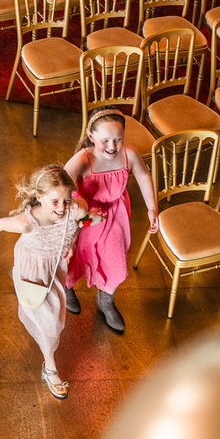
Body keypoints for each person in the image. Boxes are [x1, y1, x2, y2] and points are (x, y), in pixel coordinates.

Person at [0, 165, 99, 399]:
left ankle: (19, 279)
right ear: (39, 198)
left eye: (65, 200)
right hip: (33, 264)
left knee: (53, 309)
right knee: (52, 323)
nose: (61, 208)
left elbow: (80, 222)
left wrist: (70, 244)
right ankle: (50, 369)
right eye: (54, 202)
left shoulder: (76, 209)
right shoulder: (26, 222)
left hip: (56, 265)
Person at [63, 108, 158, 333]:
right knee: (73, 255)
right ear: (91, 135)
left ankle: (106, 299)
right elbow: (61, 187)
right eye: (105, 140)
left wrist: (152, 208)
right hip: (84, 216)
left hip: (114, 215)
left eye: (118, 139)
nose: (112, 146)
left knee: (115, 259)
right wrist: (83, 215)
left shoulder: (129, 154)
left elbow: (144, 175)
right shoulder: (83, 159)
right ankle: (66, 288)